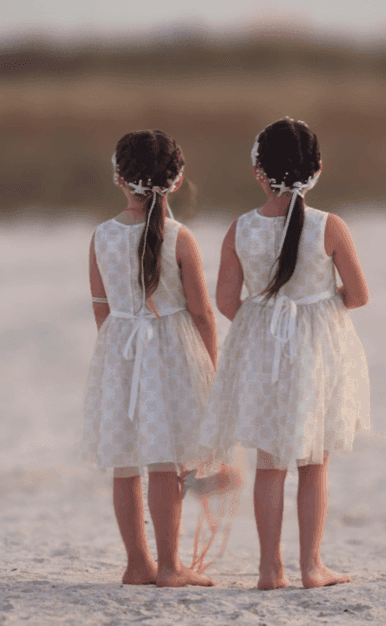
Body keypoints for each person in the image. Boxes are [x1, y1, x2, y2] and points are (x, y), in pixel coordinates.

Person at [199, 117, 371, 590]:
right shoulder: (329, 226)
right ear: (317, 169)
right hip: (317, 353)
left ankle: (269, 569)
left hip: (262, 353)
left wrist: (267, 321)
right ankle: (311, 566)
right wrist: (316, 306)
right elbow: (358, 295)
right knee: (314, 463)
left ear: (258, 171)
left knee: (270, 463)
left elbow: (227, 302)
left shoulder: (241, 229)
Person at [81, 129, 218, 588]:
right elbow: (201, 313)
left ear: (119, 177)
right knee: (167, 462)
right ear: (176, 181)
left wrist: (121, 358)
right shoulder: (181, 237)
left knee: (126, 464)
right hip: (172, 356)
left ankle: (136, 563)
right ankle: (168, 565)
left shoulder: (101, 236)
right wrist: (210, 368)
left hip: (120, 354)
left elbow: (102, 307)